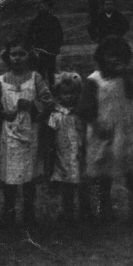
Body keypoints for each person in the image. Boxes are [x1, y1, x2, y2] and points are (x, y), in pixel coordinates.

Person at [79, 36, 133, 223]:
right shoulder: (94, 81)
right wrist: (96, 125)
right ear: (101, 58)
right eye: (110, 56)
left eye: (119, 56)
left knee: (132, 171)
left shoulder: (127, 77)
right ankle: (105, 210)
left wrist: (127, 74)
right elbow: (85, 109)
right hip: (104, 132)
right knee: (103, 173)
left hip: (127, 130)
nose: (114, 60)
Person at [0, 34, 52, 227]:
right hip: (8, 134)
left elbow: (48, 102)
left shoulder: (35, 78)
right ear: (7, 56)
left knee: (28, 174)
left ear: (29, 56)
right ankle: (8, 213)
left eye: (22, 54)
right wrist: (2, 113)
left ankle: (29, 213)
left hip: (30, 132)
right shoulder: (2, 80)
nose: (17, 58)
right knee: (9, 175)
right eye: (13, 54)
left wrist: (33, 105)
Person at [46, 71, 90, 222]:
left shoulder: (81, 113)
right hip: (63, 155)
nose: (69, 97)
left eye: (73, 93)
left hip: (81, 152)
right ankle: (68, 212)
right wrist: (51, 149)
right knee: (67, 185)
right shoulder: (56, 114)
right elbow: (50, 133)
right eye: (65, 93)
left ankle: (85, 211)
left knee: (84, 183)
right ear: (58, 94)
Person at [26, 0, 65, 85]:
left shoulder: (54, 20)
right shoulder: (36, 21)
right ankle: (41, 88)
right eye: (40, 6)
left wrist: (57, 46)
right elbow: (29, 34)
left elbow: (59, 34)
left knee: (51, 71)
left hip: (51, 49)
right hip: (40, 49)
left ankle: (52, 86)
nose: (42, 8)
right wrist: (32, 46)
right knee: (40, 71)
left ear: (50, 8)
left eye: (45, 6)